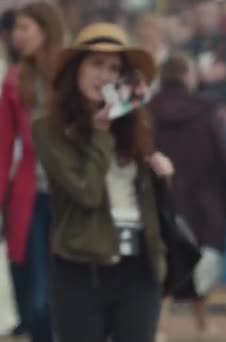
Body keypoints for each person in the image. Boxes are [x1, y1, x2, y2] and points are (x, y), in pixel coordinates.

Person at [31, 22, 173, 342]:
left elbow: (146, 202)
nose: (105, 76)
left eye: (114, 68)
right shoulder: (48, 130)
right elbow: (87, 193)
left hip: (138, 268)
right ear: (75, 69)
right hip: (81, 271)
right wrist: (100, 133)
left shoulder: (136, 124)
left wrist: (161, 174)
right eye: (96, 64)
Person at [149, 52, 226, 337]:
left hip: (162, 200)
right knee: (198, 263)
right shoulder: (205, 110)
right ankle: (203, 326)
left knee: (163, 265)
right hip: (204, 203)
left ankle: (159, 328)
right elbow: (223, 159)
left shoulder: (146, 112)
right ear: (188, 77)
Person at [0, 2, 65, 341]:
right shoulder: (14, 81)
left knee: (70, 293)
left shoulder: (73, 73)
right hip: (32, 198)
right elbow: (3, 147)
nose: (16, 36)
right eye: (15, 29)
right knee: (37, 300)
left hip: (75, 197)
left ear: (46, 29)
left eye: (25, 28)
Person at [185, 0, 226, 107]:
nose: (203, 18)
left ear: (217, 15)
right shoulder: (185, 49)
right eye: (200, 14)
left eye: (207, 14)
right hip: (193, 109)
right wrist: (199, 76)